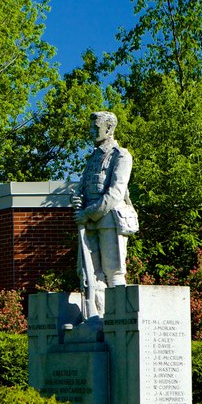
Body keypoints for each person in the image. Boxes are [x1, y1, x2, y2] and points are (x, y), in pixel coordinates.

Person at [72, 111, 135, 320]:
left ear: (109, 128)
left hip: (109, 221)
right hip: (88, 224)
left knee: (114, 271)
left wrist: (87, 214)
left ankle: (119, 321)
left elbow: (115, 194)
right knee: (90, 274)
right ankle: (95, 320)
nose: (91, 132)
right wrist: (76, 201)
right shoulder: (93, 158)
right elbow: (81, 188)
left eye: (95, 128)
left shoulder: (121, 156)